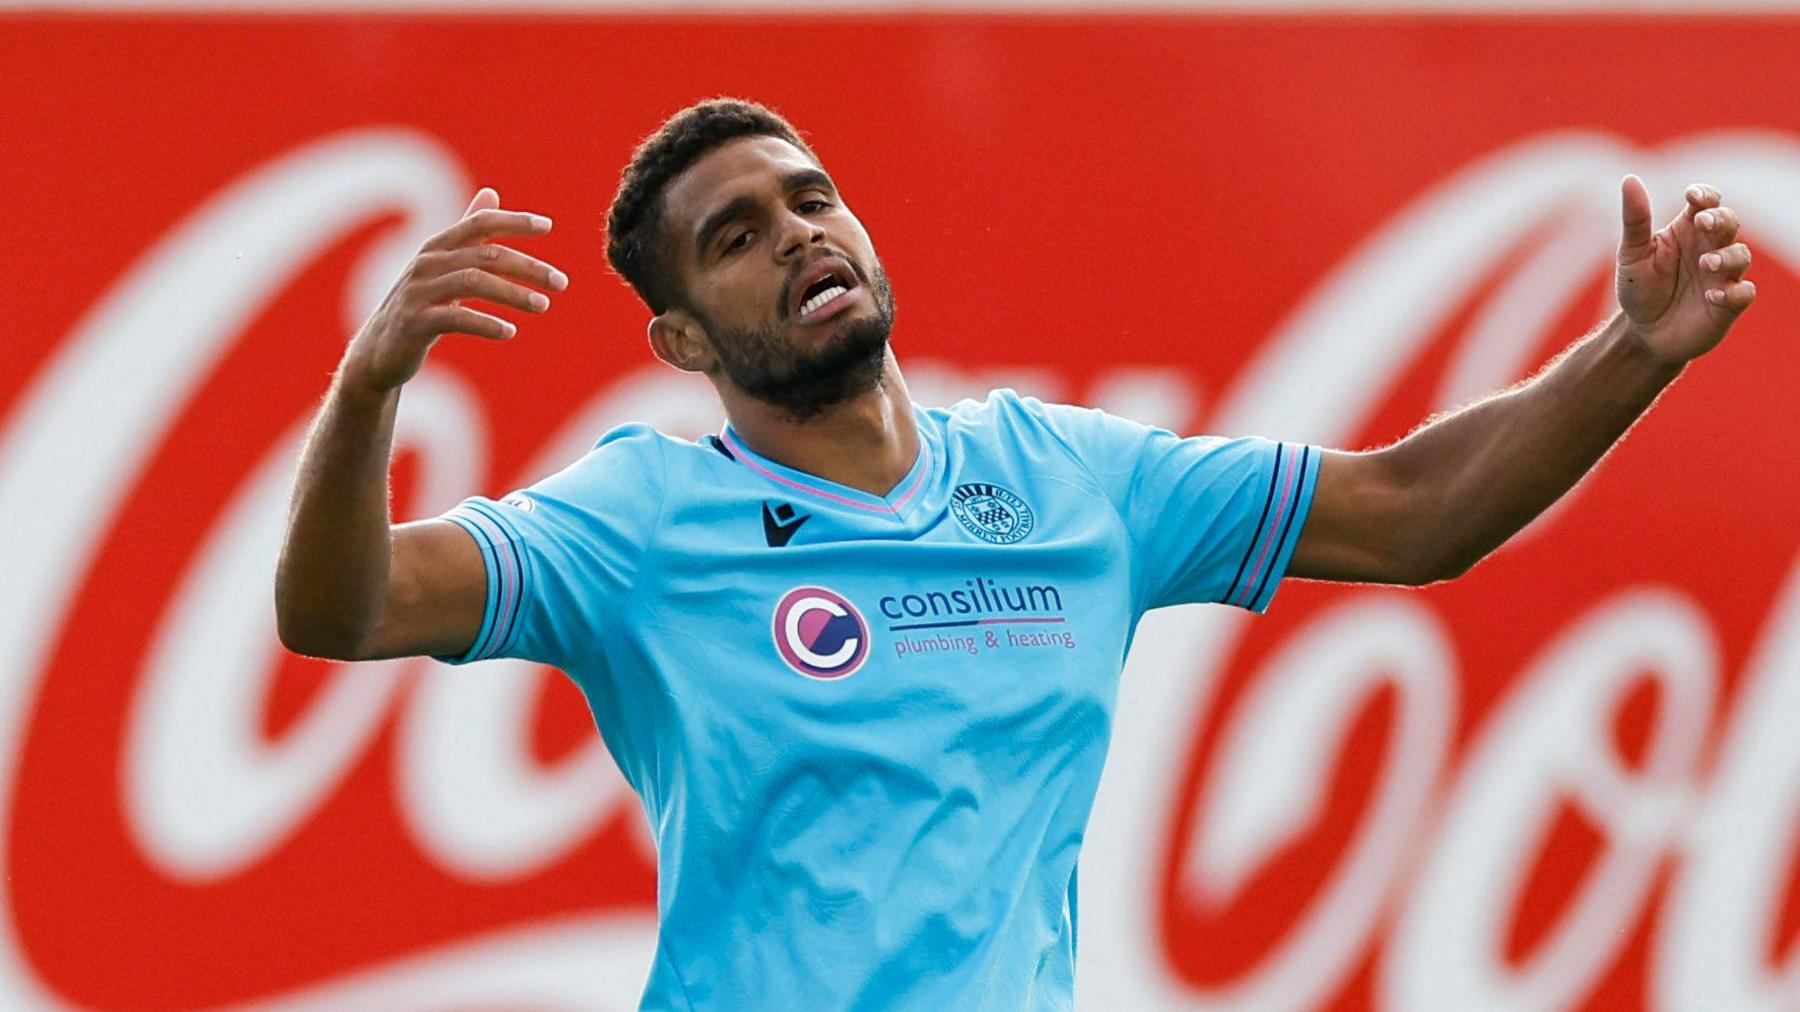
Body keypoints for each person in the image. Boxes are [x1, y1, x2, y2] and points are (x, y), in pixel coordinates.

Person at [274, 98, 1757, 1008]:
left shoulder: (1071, 479)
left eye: (811, 197)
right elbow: (340, 611)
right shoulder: (640, 521)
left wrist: (1635, 348)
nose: (798, 234)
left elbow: (1415, 514)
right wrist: (368, 388)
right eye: (736, 236)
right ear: (678, 338)